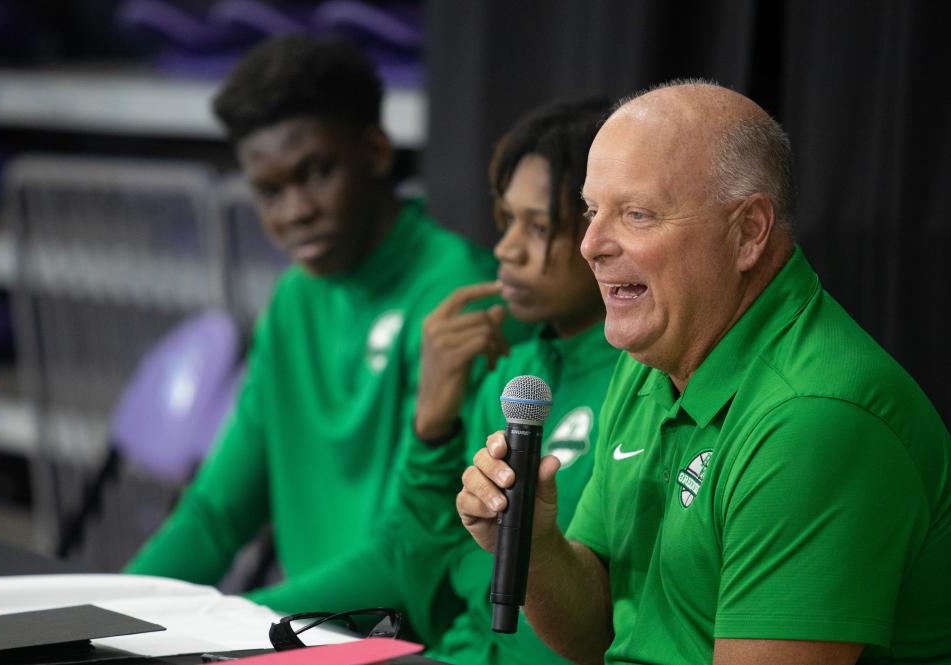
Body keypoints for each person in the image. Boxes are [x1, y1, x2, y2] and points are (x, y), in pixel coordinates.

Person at [458, 80, 951, 665]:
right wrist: (536, 545)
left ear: (747, 232)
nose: (590, 244)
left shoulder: (813, 418)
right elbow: (597, 634)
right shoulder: (654, 353)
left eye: (636, 214)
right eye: (593, 210)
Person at [124, 34, 516, 612]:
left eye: (315, 172)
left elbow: (410, 556)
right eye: (270, 191)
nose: (295, 211)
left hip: (402, 640)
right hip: (305, 630)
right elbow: (217, 514)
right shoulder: (294, 299)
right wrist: (109, 617)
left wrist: (243, 624)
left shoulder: (460, 294)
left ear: (377, 152)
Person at [266, 99, 621, 659]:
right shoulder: (509, 376)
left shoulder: (647, 383)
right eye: (507, 221)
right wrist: (431, 426)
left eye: (539, 226)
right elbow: (420, 566)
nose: (505, 248)